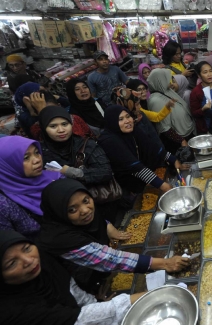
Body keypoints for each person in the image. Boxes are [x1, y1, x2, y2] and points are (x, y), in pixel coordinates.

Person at [36, 179, 189, 293]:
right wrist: (164, 263)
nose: (85, 210)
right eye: (72, 210)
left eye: (86, 200)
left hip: (93, 277)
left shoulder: (81, 219)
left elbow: (100, 221)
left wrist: (108, 225)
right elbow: (112, 259)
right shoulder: (61, 239)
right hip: (73, 292)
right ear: (60, 212)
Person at [0, 230, 143, 325]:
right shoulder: (12, 312)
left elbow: (70, 287)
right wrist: (150, 297)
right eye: (12, 263)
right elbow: (80, 320)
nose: (29, 261)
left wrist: (93, 302)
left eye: (27, 248)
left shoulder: (43, 262)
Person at [98, 105, 188, 195]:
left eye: (128, 116)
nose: (127, 121)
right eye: (120, 119)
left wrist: (174, 160)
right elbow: (134, 166)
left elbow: (153, 147)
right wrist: (163, 185)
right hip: (126, 188)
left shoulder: (133, 130)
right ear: (112, 122)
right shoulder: (108, 141)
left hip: (141, 178)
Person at [38, 106, 113, 199]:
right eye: (53, 126)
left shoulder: (87, 145)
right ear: (44, 129)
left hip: (95, 199)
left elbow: (105, 172)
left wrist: (70, 172)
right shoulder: (39, 152)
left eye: (65, 124)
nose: (61, 130)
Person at [0, 136, 62, 237]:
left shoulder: (55, 176)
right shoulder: (4, 204)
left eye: (37, 152)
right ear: (7, 166)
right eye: (26, 158)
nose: (37, 160)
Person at [147, 69, 195, 154]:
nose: (170, 82)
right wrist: (182, 141)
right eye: (167, 79)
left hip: (186, 134)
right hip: (177, 142)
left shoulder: (167, 91)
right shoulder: (156, 100)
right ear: (160, 80)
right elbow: (164, 127)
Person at [190, 61, 212, 134]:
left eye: (210, 71)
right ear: (199, 75)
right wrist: (203, 109)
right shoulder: (196, 92)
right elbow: (194, 113)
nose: (209, 74)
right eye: (205, 72)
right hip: (206, 128)